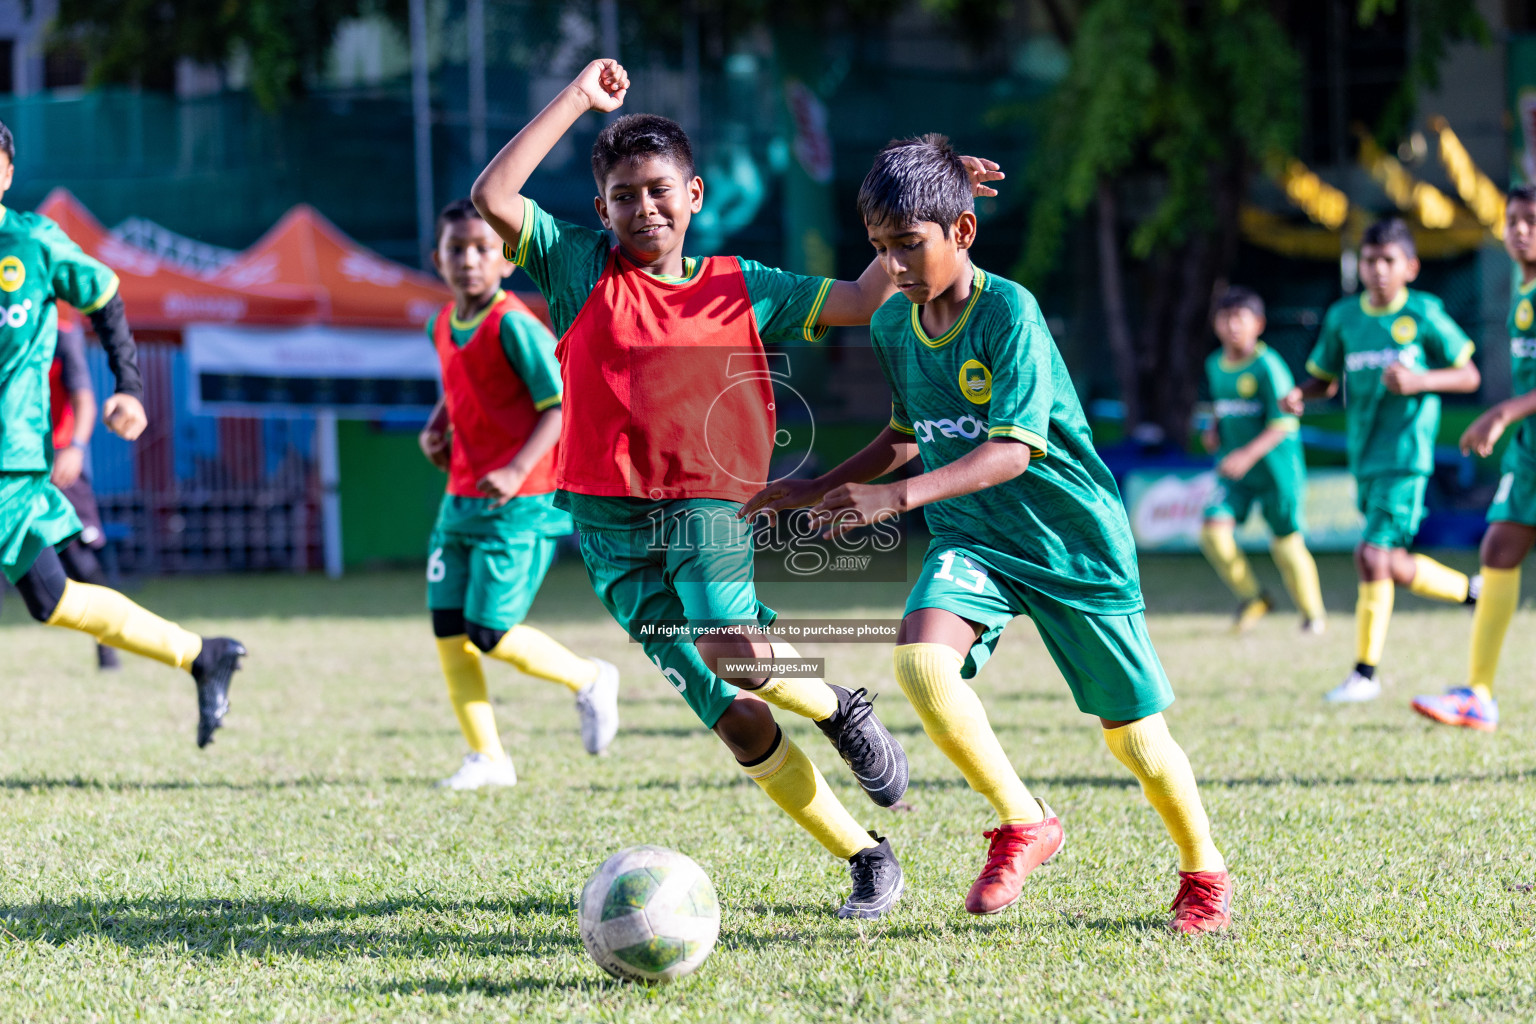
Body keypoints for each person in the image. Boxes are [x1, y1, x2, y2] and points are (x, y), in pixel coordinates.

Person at [471, 59, 999, 919]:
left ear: (695, 194)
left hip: (710, 508)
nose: (642, 208)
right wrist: (576, 98)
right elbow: (494, 195)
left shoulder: (743, 285)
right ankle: (867, 855)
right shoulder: (577, 270)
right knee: (737, 719)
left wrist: (929, 209)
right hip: (609, 533)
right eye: (622, 196)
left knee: (736, 651)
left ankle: (839, 705)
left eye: (657, 190)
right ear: (600, 210)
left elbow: (870, 297)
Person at [745, 135, 1233, 934]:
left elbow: (1010, 450)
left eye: (909, 245)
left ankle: (1203, 870)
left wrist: (894, 500)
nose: (894, 266)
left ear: (962, 233)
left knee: (1135, 738)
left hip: (1071, 542)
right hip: (974, 537)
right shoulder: (895, 327)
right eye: (878, 248)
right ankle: (1022, 820)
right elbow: (907, 435)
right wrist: (820, 484)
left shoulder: (1010, 311)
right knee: (921, 663)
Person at [0, 119, 243, 746]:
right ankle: (202, 654)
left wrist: (129, 387)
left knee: (56, 596)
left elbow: (105, 295)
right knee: (52, 600)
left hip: (12, 463)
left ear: (6, 174)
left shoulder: (31, 244)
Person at [420, 198, 620, 790]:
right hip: (460, 500)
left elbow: (560, 403)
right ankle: (488, 758)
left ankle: (588, 677)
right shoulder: (441, 323)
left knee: (490, 632)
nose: (469, 261)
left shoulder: (512, 323)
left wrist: (516, 468)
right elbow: (463, 389)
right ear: (438, 259)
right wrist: (440, 425)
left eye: (483, 249)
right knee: (449, 631)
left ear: (506, 259)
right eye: (457, 250)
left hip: (522, 502)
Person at [1282, 217, 1481, 704]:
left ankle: (1365, 674)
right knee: (1389, 561)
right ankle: (1471, 593)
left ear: (1410, 266)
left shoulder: (1425, 312)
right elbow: (1326, 380)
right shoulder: (1343, 317)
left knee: (1370, 555)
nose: (1378, 269)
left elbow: (1469, 376)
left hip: (1406, 455)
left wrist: (1421, 381)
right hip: (1364, 454)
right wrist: (1300, 394)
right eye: (1369, 260)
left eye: (1388, 260)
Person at [1411, 184, 1536, 731]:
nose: (1520, 230)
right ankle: (1478, 695)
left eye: (1531, 220)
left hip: (1522, 432)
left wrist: (1503, 412)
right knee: (1499, 547)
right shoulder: (1523, 289)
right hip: (1530, 451)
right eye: (1513, 220)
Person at [1198, 286, 1326, 633]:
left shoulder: (1269, 366)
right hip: (1235, 473)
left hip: (1275, 472)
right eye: (1225, 319)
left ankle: (1313, 617)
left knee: (1286, 544)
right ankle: (1254, 597)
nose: (1232, 326)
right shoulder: (1215, 364)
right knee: (1213, 533)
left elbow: (1284, 423)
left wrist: (1246, 454)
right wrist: (1214, 428)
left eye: (1240, 318)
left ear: (1259, 324)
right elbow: (1222, 408)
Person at [49, 310, 121, 670]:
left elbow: (85, 401)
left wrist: (75, 448)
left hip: (59, 467)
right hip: (12, 468)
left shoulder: (62, 334)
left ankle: (108, 648)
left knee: (82, 562)